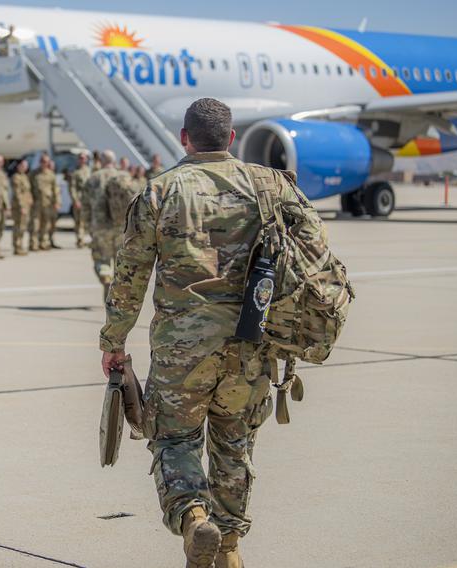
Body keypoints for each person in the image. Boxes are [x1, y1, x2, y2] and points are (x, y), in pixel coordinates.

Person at [99, 98, 325, 568]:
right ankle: (229, 549)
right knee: (234, 444)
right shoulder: (270, 185)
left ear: (184, 138)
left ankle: (193, 517)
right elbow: (315, 255)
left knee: (176, 442)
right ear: (232, 138)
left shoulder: (160, 192)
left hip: (183, 350)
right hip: (250, 344)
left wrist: (114, 343)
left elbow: (130, 277)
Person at [84, 150, 131, 298]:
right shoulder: (124, 177)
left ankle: (105, 277)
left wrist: (87, 227)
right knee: (120, 261)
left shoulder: (93, 178)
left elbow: (85, 206)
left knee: (101, 258)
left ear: (101, 161)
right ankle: (117, 297)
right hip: (121, 227)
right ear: (114, 160)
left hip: (100, 226)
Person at [29, 154, 60, 251]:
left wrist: (57, 202)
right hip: (36, 203)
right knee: (35, 224)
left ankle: (43, 243)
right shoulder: (34, 174)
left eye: (46, 161)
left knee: (46, 224)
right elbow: (28, 188)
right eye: (42, 161)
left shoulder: (51, 175)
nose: (44, 163)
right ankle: (33, 244)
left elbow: (55, 189)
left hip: (48, 203)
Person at [68, 152, 91, 248]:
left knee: (88, 221)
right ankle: (80, 240)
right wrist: (75, 200)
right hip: (80, 199)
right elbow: (72, 188)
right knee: (79, 221)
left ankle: (87, 239)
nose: (82, 160)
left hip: (88, 199)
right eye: (81, 158)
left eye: (84, 158)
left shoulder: (89, 171)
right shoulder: (75, 172)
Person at [10, 159, 32, 255]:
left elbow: (27, 191)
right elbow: (17, 193)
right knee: (18, 227)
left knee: (23, 227)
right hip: (19, 207)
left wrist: (30, 200)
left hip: (26, 206)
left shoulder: (25, 177)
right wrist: (22, 206)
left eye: (26, 165)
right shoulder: (16, 177)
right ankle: (17, 246)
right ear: (18, 166)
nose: (24, 167)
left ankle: (20, 246)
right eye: (23, 165)